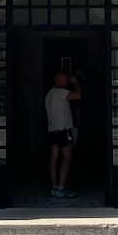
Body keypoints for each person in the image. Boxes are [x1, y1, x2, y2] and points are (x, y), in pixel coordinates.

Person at [45, 70, 81, 199]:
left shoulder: (49, 94)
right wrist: (76, 83)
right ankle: (61, 187)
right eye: (65, 79)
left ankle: (54, 187)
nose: (67, 82)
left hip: (52, 130)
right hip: (63, 130)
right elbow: (78, 95)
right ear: (59, 80)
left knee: (54, 158)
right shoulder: (61, 92)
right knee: (67, 158)